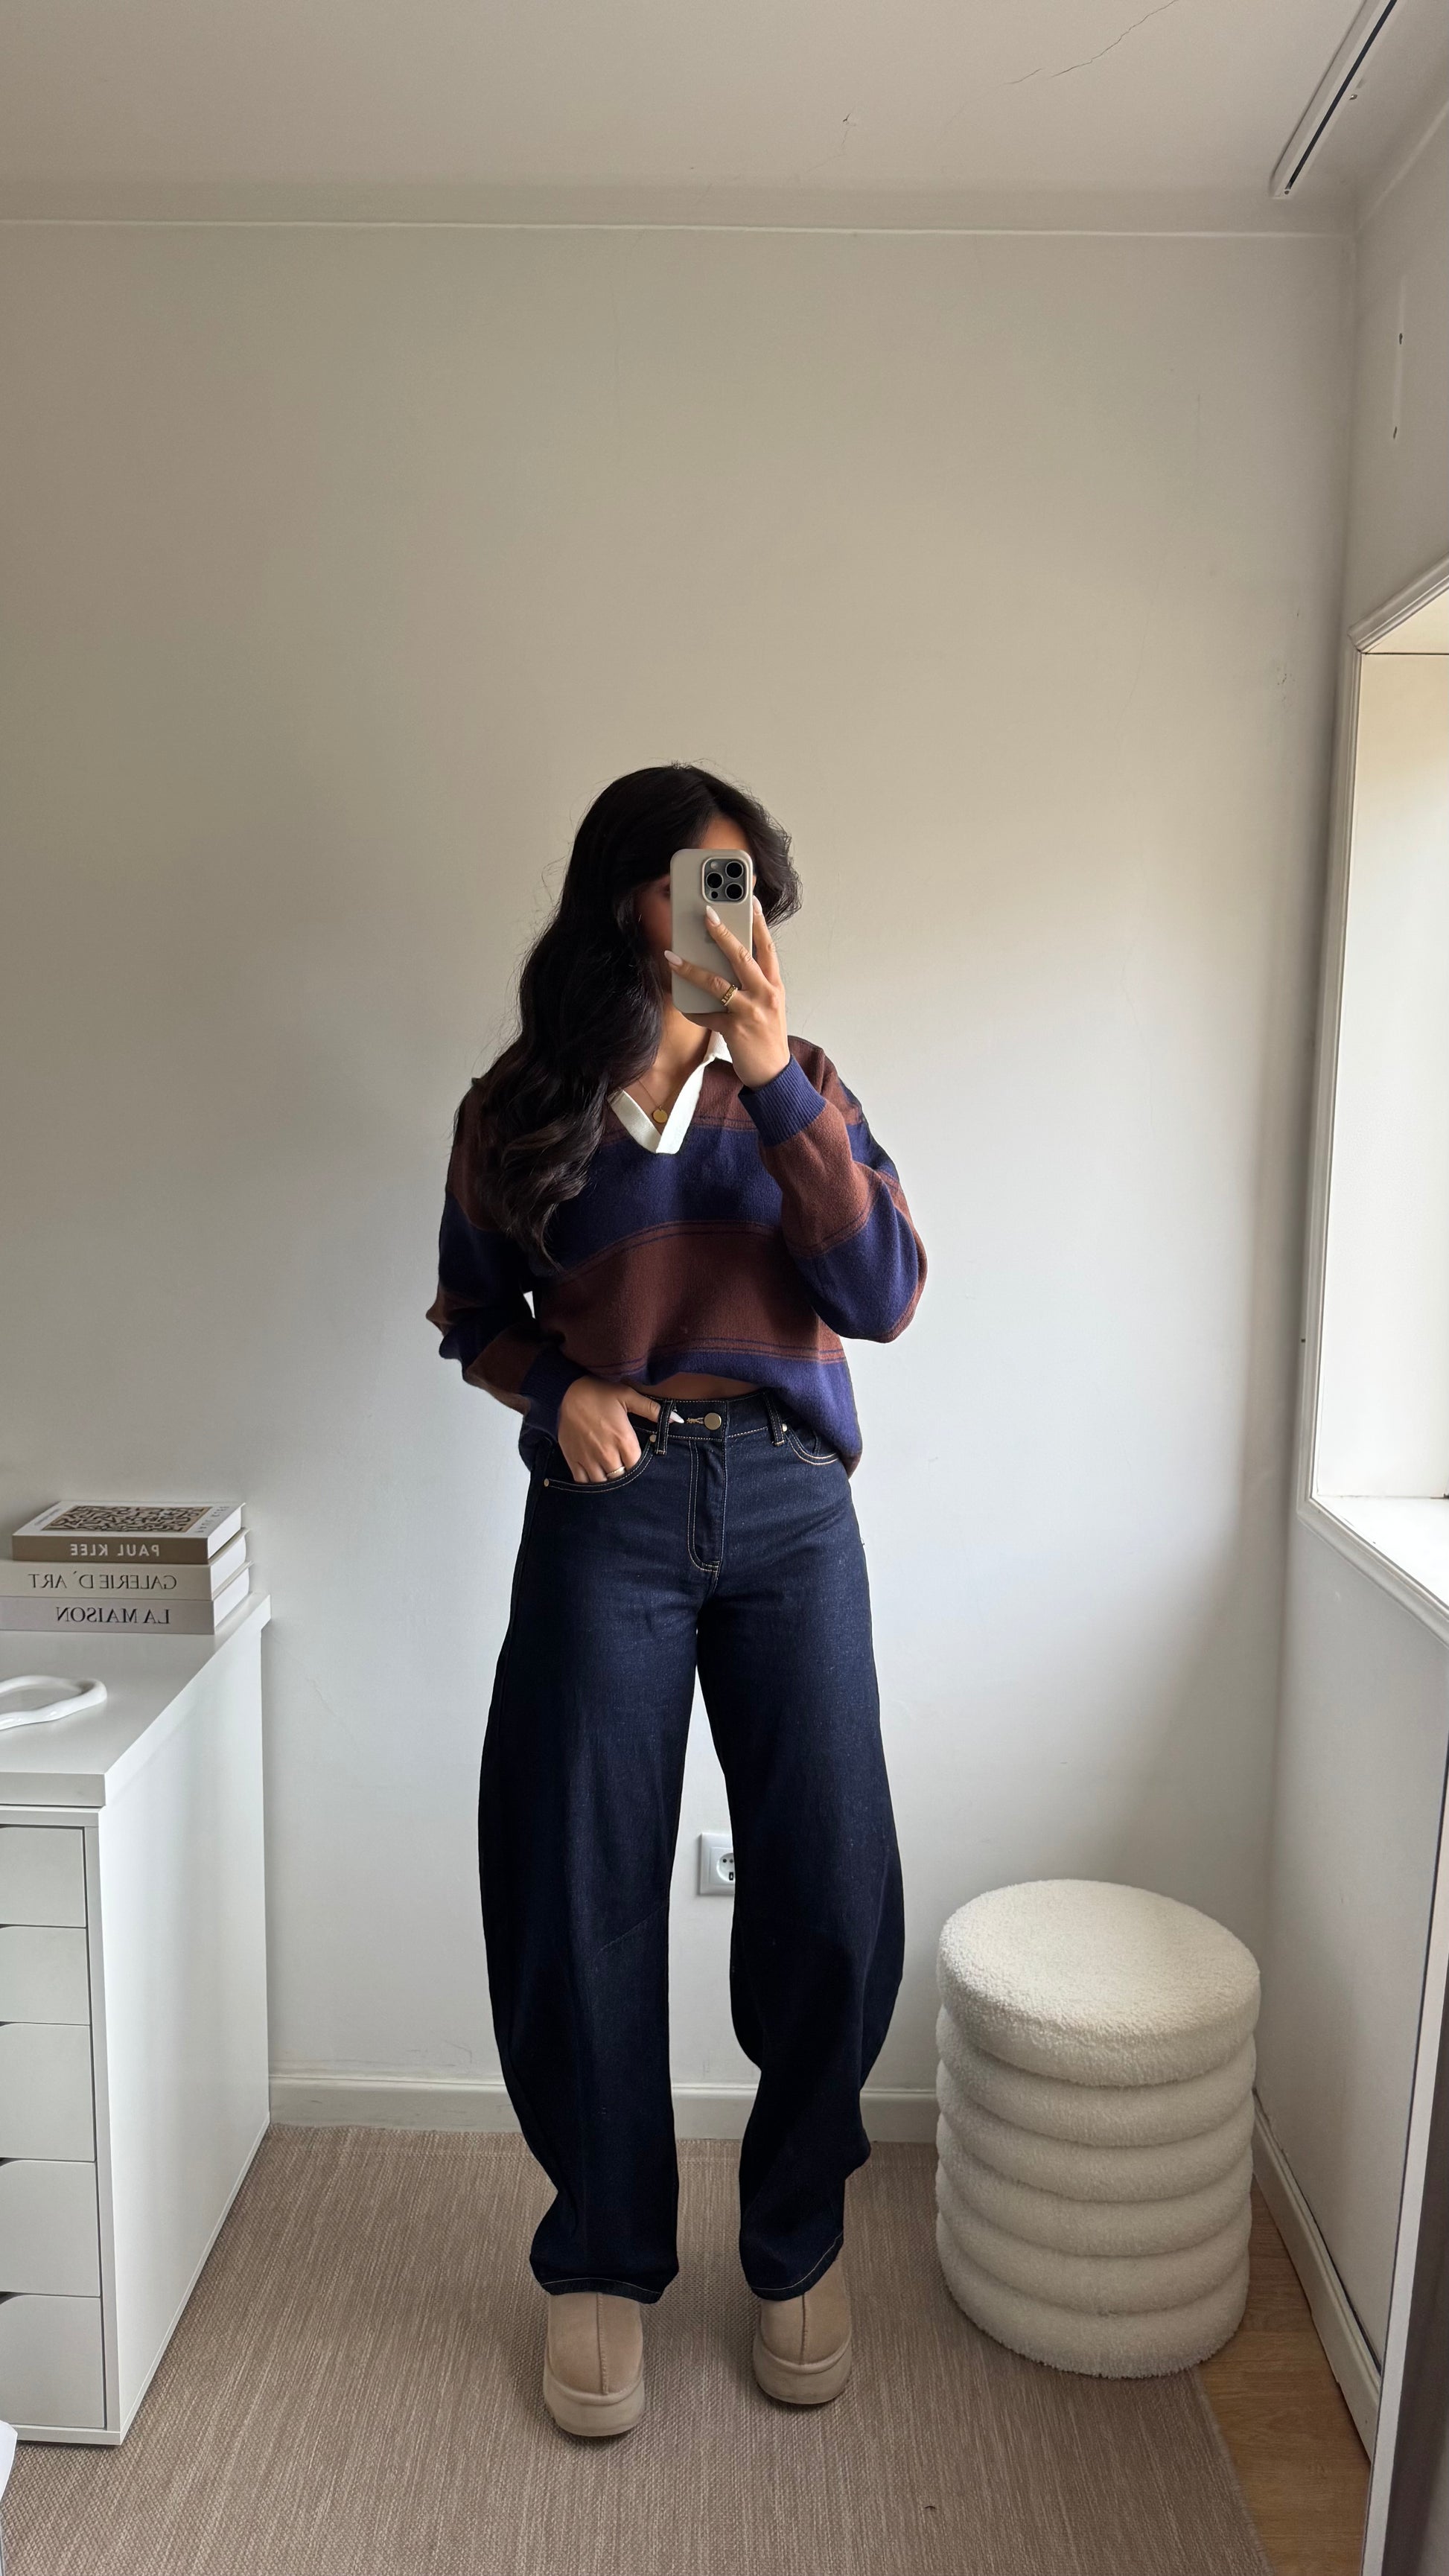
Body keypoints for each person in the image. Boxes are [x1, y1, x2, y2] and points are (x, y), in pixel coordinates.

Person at [427, 763, 926, 2438]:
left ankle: (794, 2237)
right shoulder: (521, 1102)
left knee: (832, 1879)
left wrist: (772, 1077)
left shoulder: (803, 1085)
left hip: (790, 1506)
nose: (740, 910)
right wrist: (555, 1387)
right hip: (608, 1510)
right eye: (709, 879)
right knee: (572, 1879)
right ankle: (602, 2251)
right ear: (627, 896)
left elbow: (882, 1293)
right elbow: (471, 1312)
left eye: (753, 883)